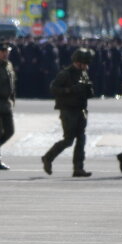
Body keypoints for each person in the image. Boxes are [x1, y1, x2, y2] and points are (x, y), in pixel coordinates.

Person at [41, 48, 94, 177]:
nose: (86, 66)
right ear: (78, 62)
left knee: (81, 139)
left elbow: (88, 90)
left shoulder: (83, 73)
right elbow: (53, 88)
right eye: (84, 63)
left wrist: (89, 90)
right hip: (68, 111)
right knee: (69, 140)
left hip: (81, 110)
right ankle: (48, 157)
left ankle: (78, 168)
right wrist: (69, 90)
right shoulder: (66, 74)